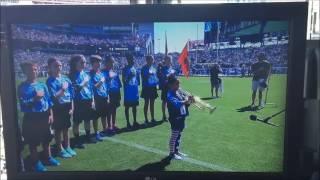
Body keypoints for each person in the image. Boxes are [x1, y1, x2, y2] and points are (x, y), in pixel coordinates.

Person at [18, 62, 60, 172]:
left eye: (35, 69)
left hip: (44, 116)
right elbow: (23, 105)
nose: (34, 72)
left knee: (47, 139)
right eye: (31, 70)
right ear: (25, 72)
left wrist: (50, 114)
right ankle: (36, 163)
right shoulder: (22, 87)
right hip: (32, 118)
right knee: (33, 142)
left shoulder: (42, 85)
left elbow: (49, 101)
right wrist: (35, 98)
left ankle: (48, 158)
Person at [46, 57, 77, 159]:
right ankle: (60, 149)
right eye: (56, 66)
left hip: (67, 106)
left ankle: (67, 146)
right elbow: (53, 97)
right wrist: (63, 89)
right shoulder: (49, 81)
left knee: (66, 128)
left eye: (60, 65)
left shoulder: (66, 79)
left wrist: (72, 107)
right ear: (50, 68)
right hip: (57, 107)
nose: (59, 67)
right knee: (58, 129)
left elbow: (71, 95)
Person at [69, 54, 96, 149]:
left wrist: (92, 100)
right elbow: (76, 89)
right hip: (78, 102)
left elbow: (91, 89)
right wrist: (84, 82)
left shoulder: (86, 74)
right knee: (76, 122)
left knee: (88, 120)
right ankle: (77, 140)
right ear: (75, 63)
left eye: (85, 62)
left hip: (87, 100)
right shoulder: (71, 75)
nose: (84, 64)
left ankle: (88, 137)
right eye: (82, 62)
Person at [166, 76, 193, 160]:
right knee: (174, 135)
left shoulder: (179, 92)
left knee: (178, 135)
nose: (178, 85)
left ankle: (176, 151)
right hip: (175, 117)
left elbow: (185, 104)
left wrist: (190, 101)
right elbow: (176, 104)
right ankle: (171, 153)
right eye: (176, 83)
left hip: (181, 116)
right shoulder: (170, 94)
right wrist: (186, 100)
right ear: (171, 85)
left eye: (179, 83)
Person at [89, 55, 107, 142]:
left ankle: (104, 130)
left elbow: (104, 87)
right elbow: (93, 87)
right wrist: (101, 81)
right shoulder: (90, 74)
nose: (99, 63)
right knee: (95, 117)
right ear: (93, 63)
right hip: (96, 98)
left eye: (100, 62)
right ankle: (96, 133)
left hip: (103, 97)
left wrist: (107, 96)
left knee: (104, 115)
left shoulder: (101, 73)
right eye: (97, 62)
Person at [102, 56, 122, 134]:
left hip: (115, 93)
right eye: (111, 62)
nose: (112, 64)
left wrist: (119, 94)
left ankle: (113, 124)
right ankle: (109, 126)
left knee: (114, 109)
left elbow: (118, 84)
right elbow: (102, 83)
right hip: (108, 93)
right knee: (109, 110)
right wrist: (108, 79)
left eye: (113, 62)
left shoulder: (114, 72)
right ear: (107, 62)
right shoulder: (102, 72)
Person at [122, 54, 140, 128]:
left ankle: (135, 121)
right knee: (127, 107)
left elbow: (137, 80)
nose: (133, 60)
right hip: (128, 92)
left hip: (134, 91)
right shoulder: (125, 69)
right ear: (128, 60)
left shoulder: (134, 68)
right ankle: (128, 123)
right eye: (131, 59)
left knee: (134, 107)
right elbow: (124, 81)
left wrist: (138, 80)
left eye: (133, 59)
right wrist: (129, 77)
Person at [141, 55, 159, 124]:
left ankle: (152, 118)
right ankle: (146, 119)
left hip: (153, 87)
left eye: (152, 59)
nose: (152, 61)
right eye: (151, 59)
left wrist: (157, 84)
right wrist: (148, 74)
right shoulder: (144, 68)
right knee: (146, 103)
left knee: (152, 104)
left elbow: (155, 78)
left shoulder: (154, 68)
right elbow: (143, 78)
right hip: (146, 87)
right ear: (147, 60)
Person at [159, 55, 176, 122]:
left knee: (171, 102)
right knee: (164, 102)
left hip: (172, 88)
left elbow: (174, 78)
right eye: (168, 59)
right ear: (165, 61)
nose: (169, 61)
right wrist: (169, 75)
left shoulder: (172, 69)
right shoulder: (163, 68)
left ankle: (171, 115)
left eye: (170, 59)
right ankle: (164, 116)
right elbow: (163, 78)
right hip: (165, 87)